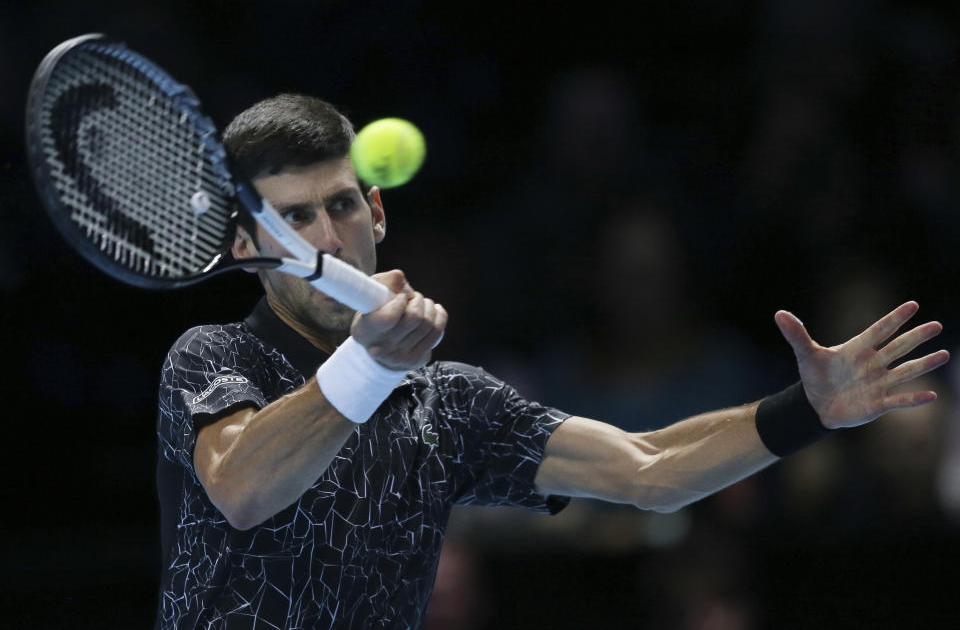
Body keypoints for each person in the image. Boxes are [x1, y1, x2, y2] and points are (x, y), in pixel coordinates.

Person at [155, 94, 948, 629]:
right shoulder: (214, 359)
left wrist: (806, 411)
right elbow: (242, 489)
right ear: (246, 246)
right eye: (293, 220)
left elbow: (649, 469)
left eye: (340, 205)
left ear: (378, 210)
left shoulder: (450, 407)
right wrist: (367, 366)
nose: (327, 239)